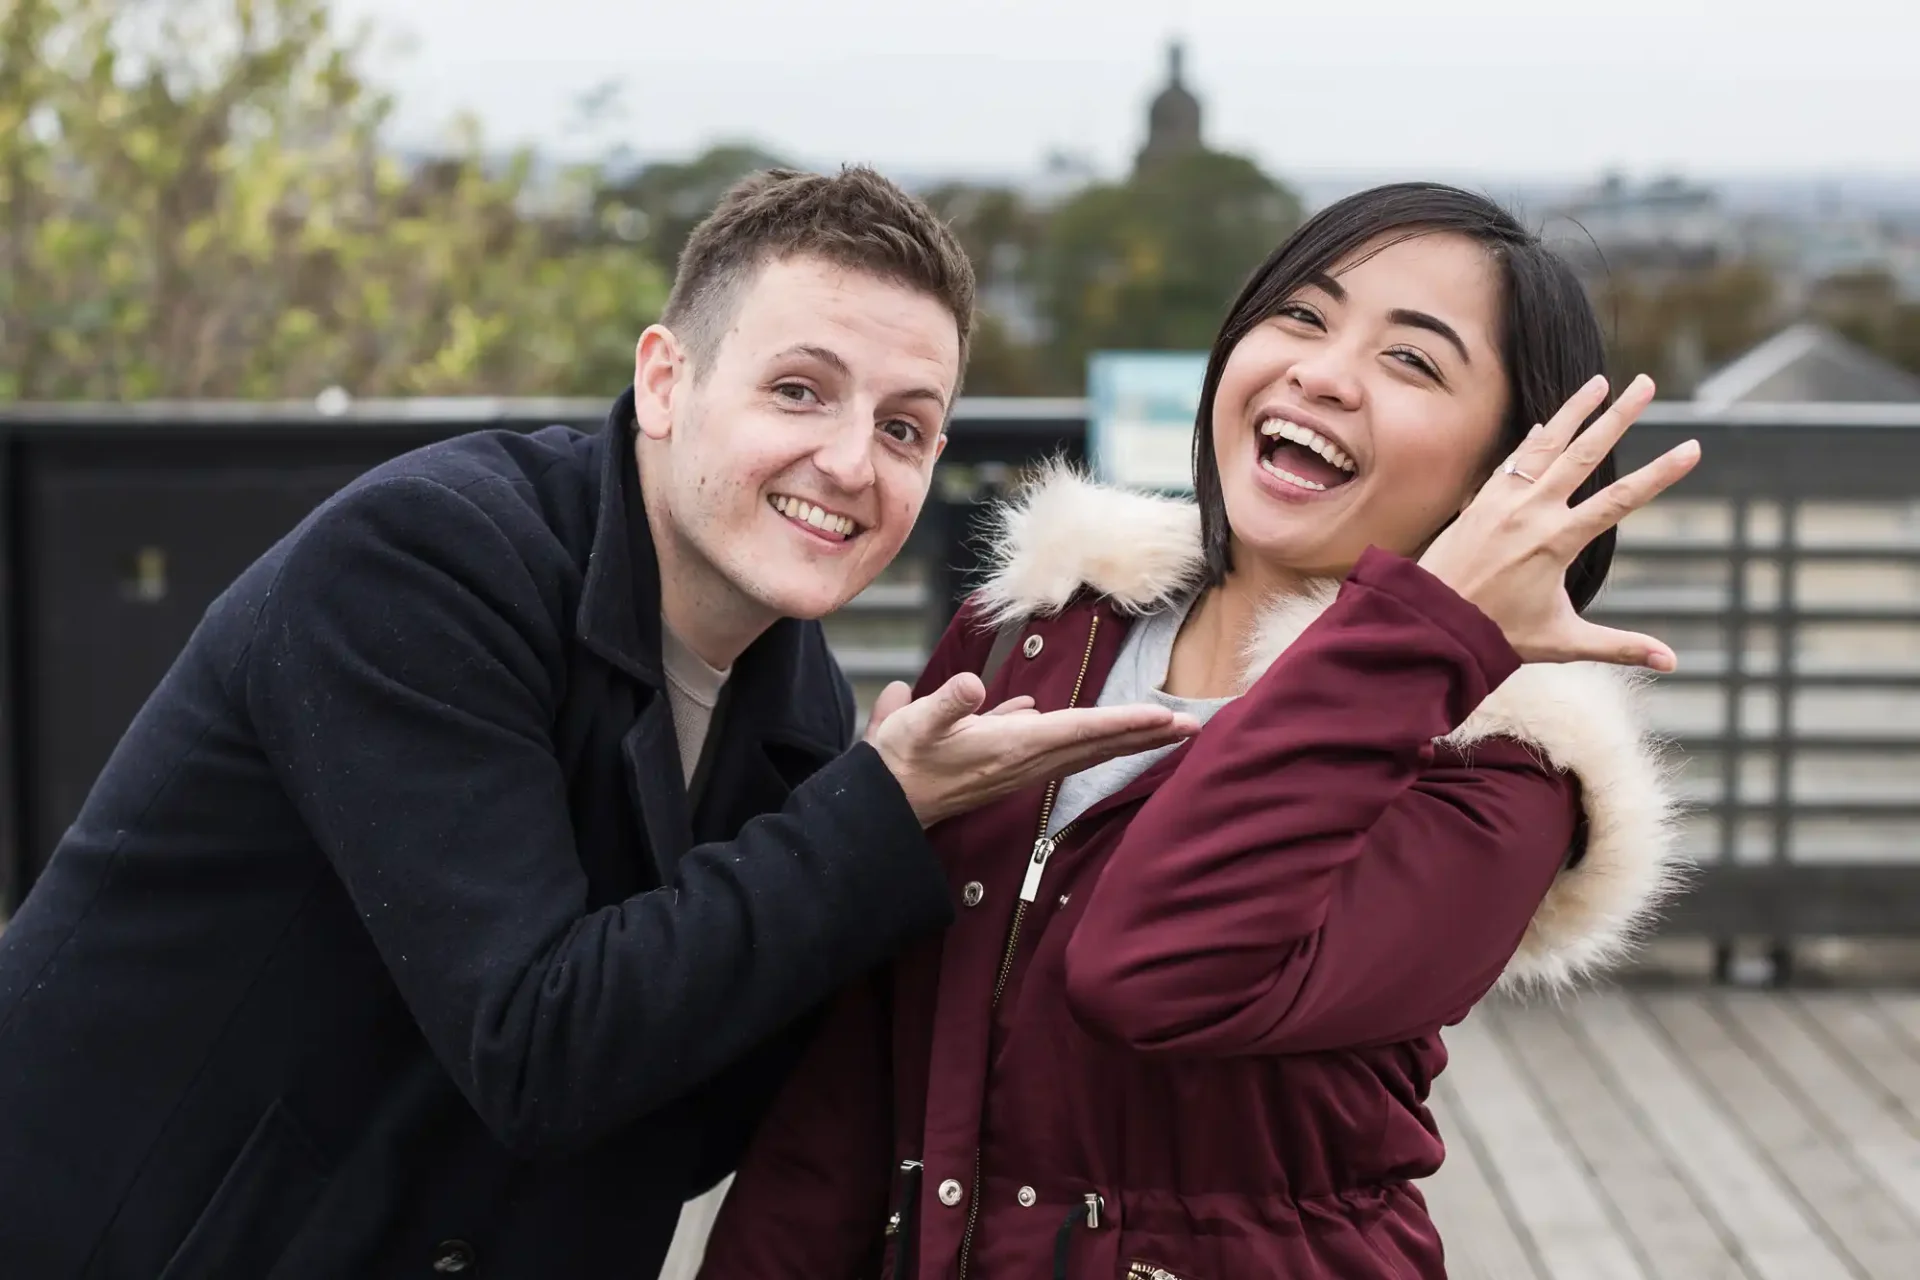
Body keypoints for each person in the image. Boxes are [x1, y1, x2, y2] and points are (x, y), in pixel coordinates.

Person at [0, 166, 1199, 1279]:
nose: (848, 460)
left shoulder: (795, 707)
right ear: (665, 381)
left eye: (902, 427)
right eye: (799, 389)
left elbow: (682, 1110)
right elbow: (542, 1050)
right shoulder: (424, 563)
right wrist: (876, 813)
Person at [693, 182, 1696, 1279]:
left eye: (1412, 360)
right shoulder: (1033, 630)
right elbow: (853, 1082)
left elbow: (1152, 968)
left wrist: (1422, 631)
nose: (1321, 370)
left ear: (1509, 471)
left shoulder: (1499, 772)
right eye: (1303, 315)